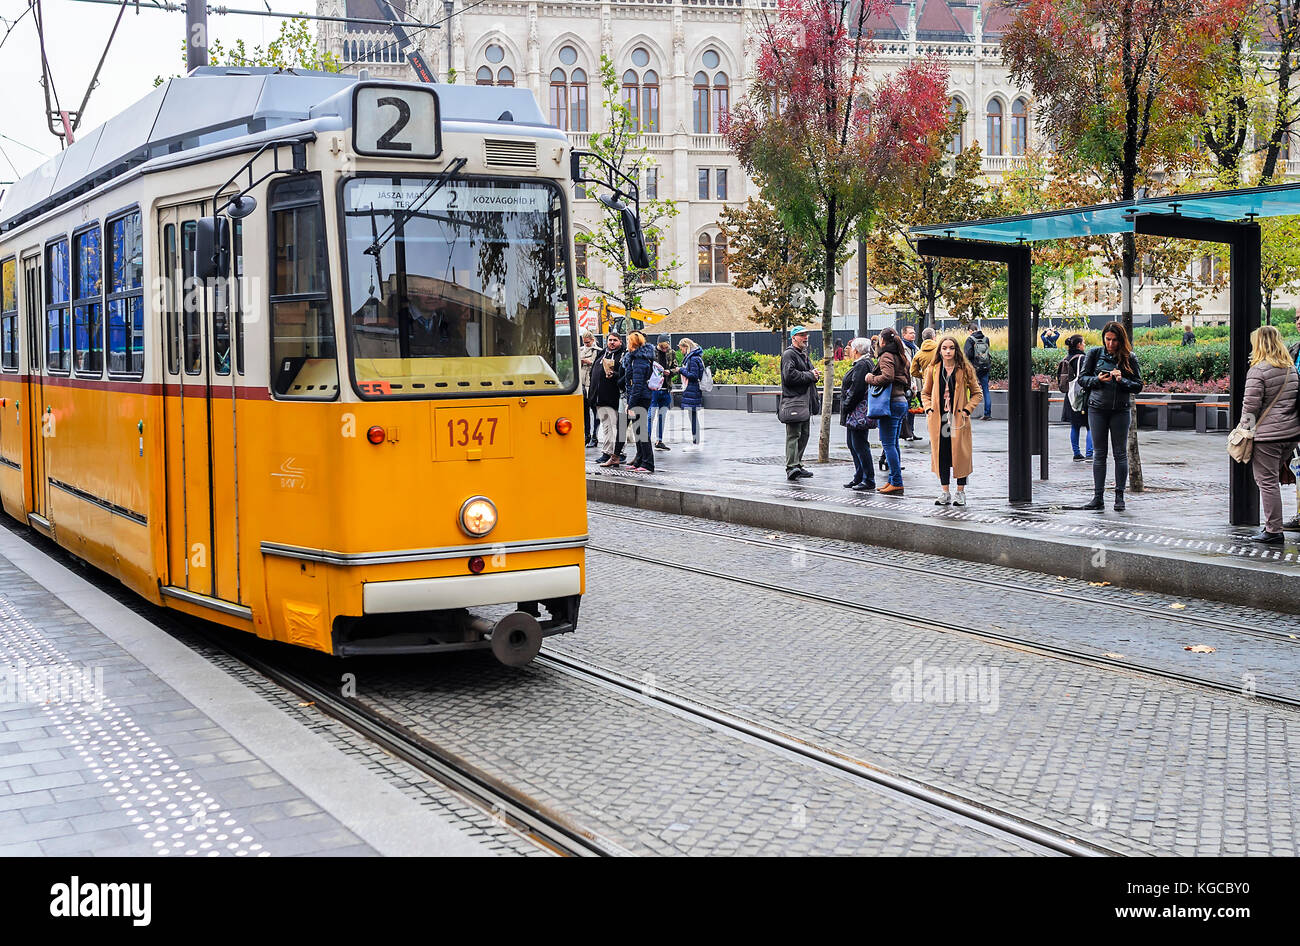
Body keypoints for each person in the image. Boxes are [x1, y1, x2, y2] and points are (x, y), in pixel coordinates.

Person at [1242, 325, 1300, 543]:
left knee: (1267, 482)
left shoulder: (1258, 370)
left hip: (1269, 436)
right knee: (1271, 479)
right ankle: (1273, 527)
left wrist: (1244, 430)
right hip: (1290, 435)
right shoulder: (1290, 368)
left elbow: (1250, 405)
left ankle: (1273, 530)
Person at [1077, 321, 1143, 511]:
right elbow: (1082, 379)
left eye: (1114, 340)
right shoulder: (1094, 354)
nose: (1111, 343)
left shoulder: (1129, 357)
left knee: (1120, 453)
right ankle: (1098, 497)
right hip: (1097, 408)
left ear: (1121, 340)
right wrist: (1097, 379)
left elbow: (1138, 385)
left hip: (1120, 410)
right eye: (1108, 339)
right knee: (1099, 453)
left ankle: (1119, 497)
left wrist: (1122, 380)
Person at [922, 335, 983, 506]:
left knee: (960, 455)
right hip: (939, 419)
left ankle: (960, 492)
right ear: (940, 351)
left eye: (951, 348)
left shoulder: (965, 369)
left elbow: (977, 393)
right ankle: (945, 492)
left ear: (956, 350)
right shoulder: (933, 369)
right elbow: (925, 393)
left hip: (958, 419)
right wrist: (928, 408)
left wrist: (966, 410)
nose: (948, 351)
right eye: (944, 348)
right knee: (942, 454)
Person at [865, 326, 911, 494]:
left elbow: (887, 377)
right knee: (894, 444)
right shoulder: (901, 356)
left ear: (882, 341)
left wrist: (871, 378)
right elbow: (906, 379)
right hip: (900, 402)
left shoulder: (886, 356)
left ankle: (897, 481)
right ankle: (893, 479)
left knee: (888, 444)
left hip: (890, 403)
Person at [780, 325, 821, 480]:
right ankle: (791, 467)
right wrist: (810, 375)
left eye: (806, 335)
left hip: (804, 402)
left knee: (804, 434)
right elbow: (789, 376)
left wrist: (814, 374)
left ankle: (797, 464)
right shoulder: (789, 354)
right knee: (794, 434)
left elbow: (807, 374)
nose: (805, 338)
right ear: (794, 338)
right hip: (794, 402)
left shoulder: (801, 354)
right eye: (802, 335)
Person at [839, 337, 876, 491]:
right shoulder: (864, 363)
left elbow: (857, 389)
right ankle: (859, 476)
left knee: (859, 445)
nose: (849, 351)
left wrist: (846, 405)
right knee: (853, 444)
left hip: (857, 412)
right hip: (855, 412)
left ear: (856, 350)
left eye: (851, 348)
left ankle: (868, 479)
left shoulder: (862, 364)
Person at [622, 331, 657, 473]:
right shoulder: (638, 358)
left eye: (629, 341)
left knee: (641, 431)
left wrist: (630, 403)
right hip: (641, 396)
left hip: (640, 398)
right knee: (638, 430)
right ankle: (639, 460)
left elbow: (637, 384)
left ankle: (648, 463)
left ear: (633, 343)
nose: (627, 343)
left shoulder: (639, 360)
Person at [590, 332, 626, 467]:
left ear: (620, 342)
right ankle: (607, 452)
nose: (611, 342)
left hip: (614, 396)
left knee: (615, 426)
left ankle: (619, 453)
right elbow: (594, 372)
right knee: (606, 427)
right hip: (600, 397)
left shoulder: (622, 355)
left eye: (615, 340)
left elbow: (624, 375)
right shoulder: (602, 353)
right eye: (610, 340)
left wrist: (615, 375)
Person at [1056, 334, 1093, 461]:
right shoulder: (1082, 358)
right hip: (1082, 395)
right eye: (1083, 343)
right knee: (1090, 425)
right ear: (1078, 345)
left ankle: (1076, 453)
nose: (1084, 345)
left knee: (1075, 426)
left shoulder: (1066, 358)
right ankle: (1089, 454)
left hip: (1070, 396)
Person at [650, 336, 680, 451]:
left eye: (666, 347)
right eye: (662, 347)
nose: (664, 349)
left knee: (662, 416)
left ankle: (659, 440)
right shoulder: (652, 352)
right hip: (654, 389)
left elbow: (675, 367)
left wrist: (670, 372)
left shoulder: (671, 352)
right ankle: (647, 440)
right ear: (658, 344)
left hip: (666, 388)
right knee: (650, 416)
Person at [677, 337, 706, 447]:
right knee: (692, 416)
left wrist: (681, 370)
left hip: (692, 390)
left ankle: (696, 441)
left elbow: (693, 375)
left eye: (681, 349)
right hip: (692, 391)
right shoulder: (695, 357)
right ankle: (695, 440)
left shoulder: (693, 359)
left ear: (686, 347)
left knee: (693, 416)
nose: (681, 351)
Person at [963, 325, 993, 420]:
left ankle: (966, 412)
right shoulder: (986, 339)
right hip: (984, 367)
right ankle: (987, 414)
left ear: (971, 331)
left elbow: (967, 355)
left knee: (967, 389)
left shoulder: (970, 340)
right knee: (985, 390)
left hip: (973, 368)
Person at [578, 331, 599, 447]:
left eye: (588, 342)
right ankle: (587, 435)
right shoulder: (580, 350)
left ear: (592, 340)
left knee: (595, 411)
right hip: (582, 383)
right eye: (584, 342)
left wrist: (587, 361)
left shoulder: (598, 351)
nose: (586, 344)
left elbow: (596, 364)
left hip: (592, 383)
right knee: (585, 411)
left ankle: (594, 436)